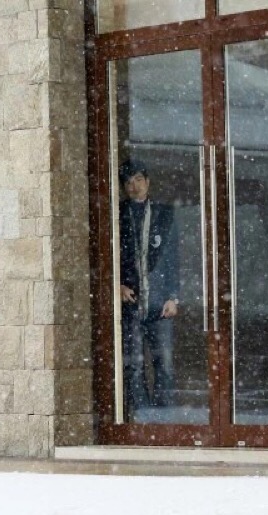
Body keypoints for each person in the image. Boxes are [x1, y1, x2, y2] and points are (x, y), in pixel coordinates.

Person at [118, 159, 180, 417]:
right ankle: (141, 414)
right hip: (131, 300)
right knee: (134, 364)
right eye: (129, 182)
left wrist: (173, 296)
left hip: (159, 301)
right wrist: (118, 284)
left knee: (164, 362)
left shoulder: (165, 214)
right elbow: (110, 256)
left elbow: (174, 256)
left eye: (138, 180)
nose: (134, 187)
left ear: (148, 182)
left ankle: (163, 417)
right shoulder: (118, 214)